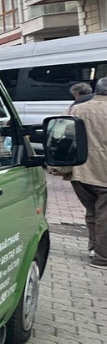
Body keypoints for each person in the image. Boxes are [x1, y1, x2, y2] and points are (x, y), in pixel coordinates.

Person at [70, 78, 107, 269]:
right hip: (104, 173)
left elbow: (62, 136)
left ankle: (94, 247)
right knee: (104, 215)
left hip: (80, 171)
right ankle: (102, 258)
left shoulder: (76, 109)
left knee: (92, 211)